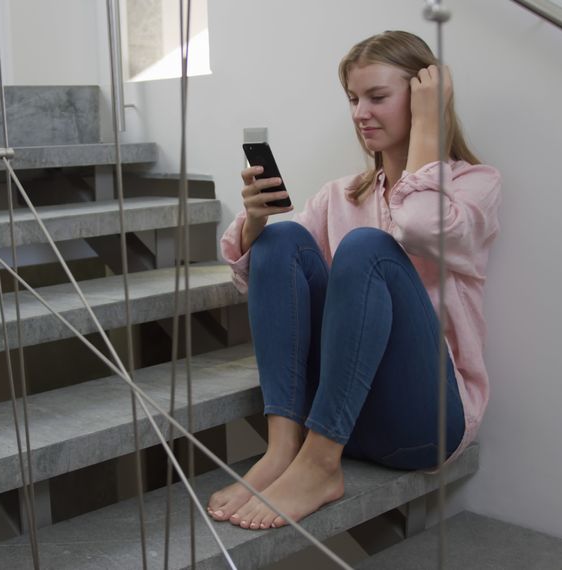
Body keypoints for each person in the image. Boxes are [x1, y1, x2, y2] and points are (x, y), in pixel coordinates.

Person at [206, 30, 502, 531]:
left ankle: (320, 466)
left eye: (378, 97)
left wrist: (428, 133)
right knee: (279, 242)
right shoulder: (340, 194)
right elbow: (265, 281)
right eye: (353, 98)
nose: (360, 112)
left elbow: (420, 227)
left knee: (366, 249)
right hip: (343, 415)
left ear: (424, 101)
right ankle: (283, 450)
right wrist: (254, 225)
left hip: (424, 421)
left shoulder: (475, 187)